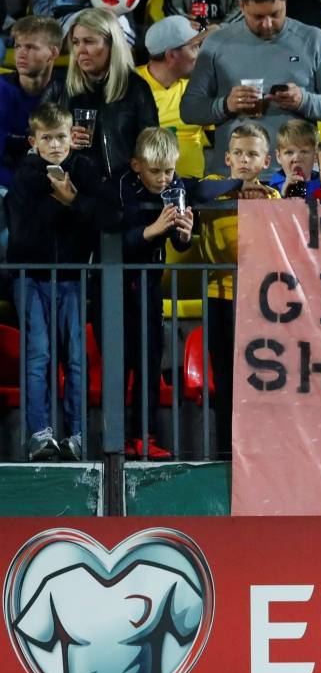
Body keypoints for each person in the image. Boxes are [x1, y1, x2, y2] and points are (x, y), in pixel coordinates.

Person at [4, 102, 117, 461]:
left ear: (72, 137)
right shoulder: (24, 175)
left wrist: (75, 200)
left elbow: (109, 214)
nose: (55, 144)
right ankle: (40, 435)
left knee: (76, 360)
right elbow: (22, 234)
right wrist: (59, 201)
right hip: (30, 279)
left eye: (61, 137)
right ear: (34, 141)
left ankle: (77, 434)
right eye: (47, 138)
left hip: (72, 278)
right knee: (38, 356)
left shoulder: (85, 170)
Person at [180, 0, 321, 176]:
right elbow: (189, 109)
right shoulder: (217, 43)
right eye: (258, 16)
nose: (267, 24)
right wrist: (226, 104)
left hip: (295, 178)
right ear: (242, 6)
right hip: (234, 178)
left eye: (275, 14)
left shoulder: (313, 40)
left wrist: (303, 100)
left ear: (285, 2)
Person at [193, 120, 278, 454]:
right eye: (238, 153)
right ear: (226, 157)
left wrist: (261, 201)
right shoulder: (214, 185)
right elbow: (198, 192)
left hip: (260, 300)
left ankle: (259, 452)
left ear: (266, 162)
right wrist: (235, 188)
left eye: (253, 155)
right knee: (225, 379)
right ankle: (225, 452)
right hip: (220, 297)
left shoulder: (271, 195)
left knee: (259, 381)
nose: (245, 160)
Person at [119, 127, 194, 460]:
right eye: (155, 171)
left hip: (150, 284)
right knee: (122, 364)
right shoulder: (122, 186)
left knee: (150, 362)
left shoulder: (175, 186)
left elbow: (179, 240)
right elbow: (116, 239)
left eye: (169, 170)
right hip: (116, 287)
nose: (164, 179)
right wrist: (152, 230)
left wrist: (185, 233)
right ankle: (116, 436)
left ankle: (144, 435)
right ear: (137, 165)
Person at [65, 7, 160, 180]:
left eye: (89, 41)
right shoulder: (64, 87)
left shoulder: (136, 88)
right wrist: (64, 141)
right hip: (74, 184)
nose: (81, 50)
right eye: (76, 42)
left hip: (123, 186)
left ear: (111, 44)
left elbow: (152, 147)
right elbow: (41, 139)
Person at [0, 14, 66, 186]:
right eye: (18, 46)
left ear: (53, 53)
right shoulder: (2, 90)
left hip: (52, 187)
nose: (21, 53)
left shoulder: (67, 92)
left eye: (30, 47)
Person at [136, 15, 207, 157]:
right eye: (194, 47)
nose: (199, 54)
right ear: (171, 56)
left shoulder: (200, 85)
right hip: (150, 178)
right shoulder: (130, 85)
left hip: (195, 179)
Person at [265, 118, 318, 196]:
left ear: (315, 156)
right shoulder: (273, 188)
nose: (296, 159)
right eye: (289, 152)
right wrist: (283, 194)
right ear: (279, 157)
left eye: (304, 152)